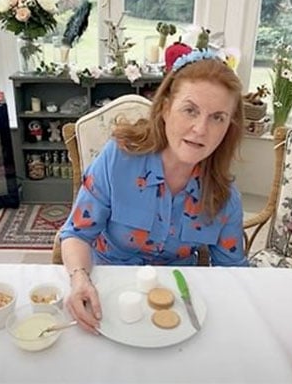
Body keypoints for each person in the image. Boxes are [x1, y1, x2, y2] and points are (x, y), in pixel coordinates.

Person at [58, 49, 248, 333]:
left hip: (177, 306)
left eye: (217, 117)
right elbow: (76, 234)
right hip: (106, 293)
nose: (200, 129)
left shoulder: (226, 198)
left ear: (228, 127)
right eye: (190, 110)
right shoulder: (117, 159)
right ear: (165, 109)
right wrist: (79, 279)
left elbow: (232, 274)